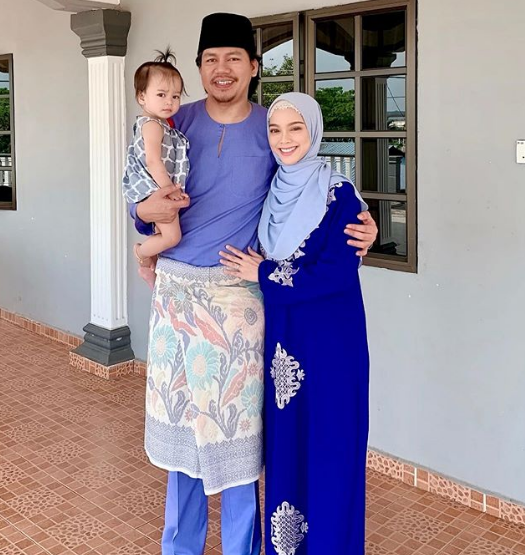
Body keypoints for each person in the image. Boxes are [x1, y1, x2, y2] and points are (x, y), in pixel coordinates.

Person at [129, 13, 377, 555]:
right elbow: (140, 197)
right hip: (177, 298)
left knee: (239, 443)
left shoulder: (272, 128)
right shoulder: (173, 121)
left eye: (234, 58)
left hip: (239, 301)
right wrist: (144, 217)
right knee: (184, 443)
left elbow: (308, 185)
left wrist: (363, 221)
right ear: (199, 67)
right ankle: (181, 547)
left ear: (254, 67)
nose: (222, 69)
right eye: (211, 59)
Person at [220, 92, 370, 555]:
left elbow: (336, 272)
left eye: (295, 128)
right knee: (287, 449)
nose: (284, 140)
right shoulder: (271, 190)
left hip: (330, 347)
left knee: (330, 451)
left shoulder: (339, 194)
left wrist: (263, 273)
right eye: (275, 129)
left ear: (314, 131)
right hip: (283, 344)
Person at [122, 49, 190, 288]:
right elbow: (153, 161)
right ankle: (142, 255)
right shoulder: (152, 125)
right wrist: (170, 190)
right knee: (172, 236)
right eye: (161, 95)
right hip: (155, 188)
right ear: (142, 97)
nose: (169, 101)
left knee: (165, 235)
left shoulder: (161, 124)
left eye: (175, 96)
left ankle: (150, 265)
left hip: (156, 187)